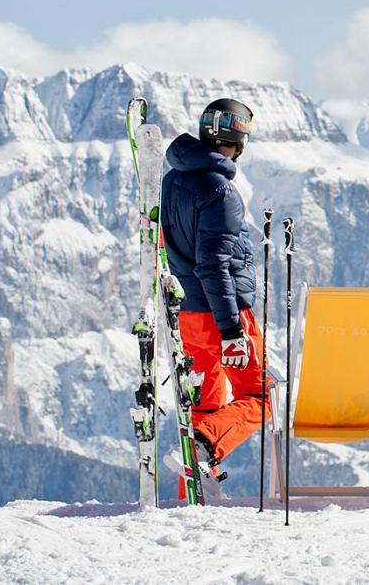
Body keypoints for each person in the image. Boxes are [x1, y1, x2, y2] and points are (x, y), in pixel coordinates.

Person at [161, 98, 266, 491]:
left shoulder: (173, 179)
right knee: (260, 395)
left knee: (204, 401)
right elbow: (213, 266)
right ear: (236, 139)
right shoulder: (220, 191)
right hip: (222, 312)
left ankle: (194, 488)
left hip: (187, 314)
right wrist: (231, 330)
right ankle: (203, 447)